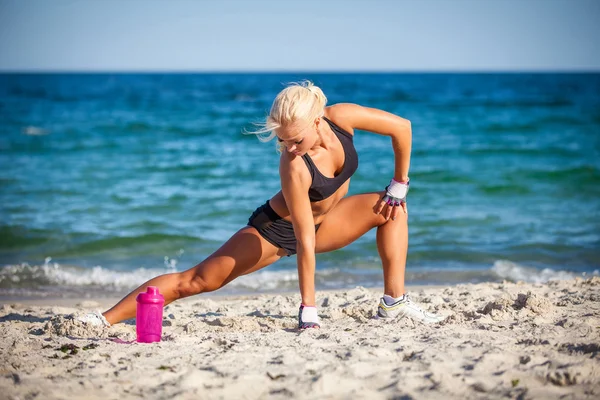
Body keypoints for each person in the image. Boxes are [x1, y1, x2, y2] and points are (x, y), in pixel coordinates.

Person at [80, 80, 444, 329]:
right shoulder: (293, 165)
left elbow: (403, 128)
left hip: (330, 220)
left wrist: (400, 182)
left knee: (393, 208)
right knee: (197, 281)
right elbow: (304, 239)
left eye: (296, 139)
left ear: (317, 121)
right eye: (283, 140)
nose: (289, 147)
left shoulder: (342, 118)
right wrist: (309, 308)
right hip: (276, 231)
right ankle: (105, 318)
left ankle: (394, 304)